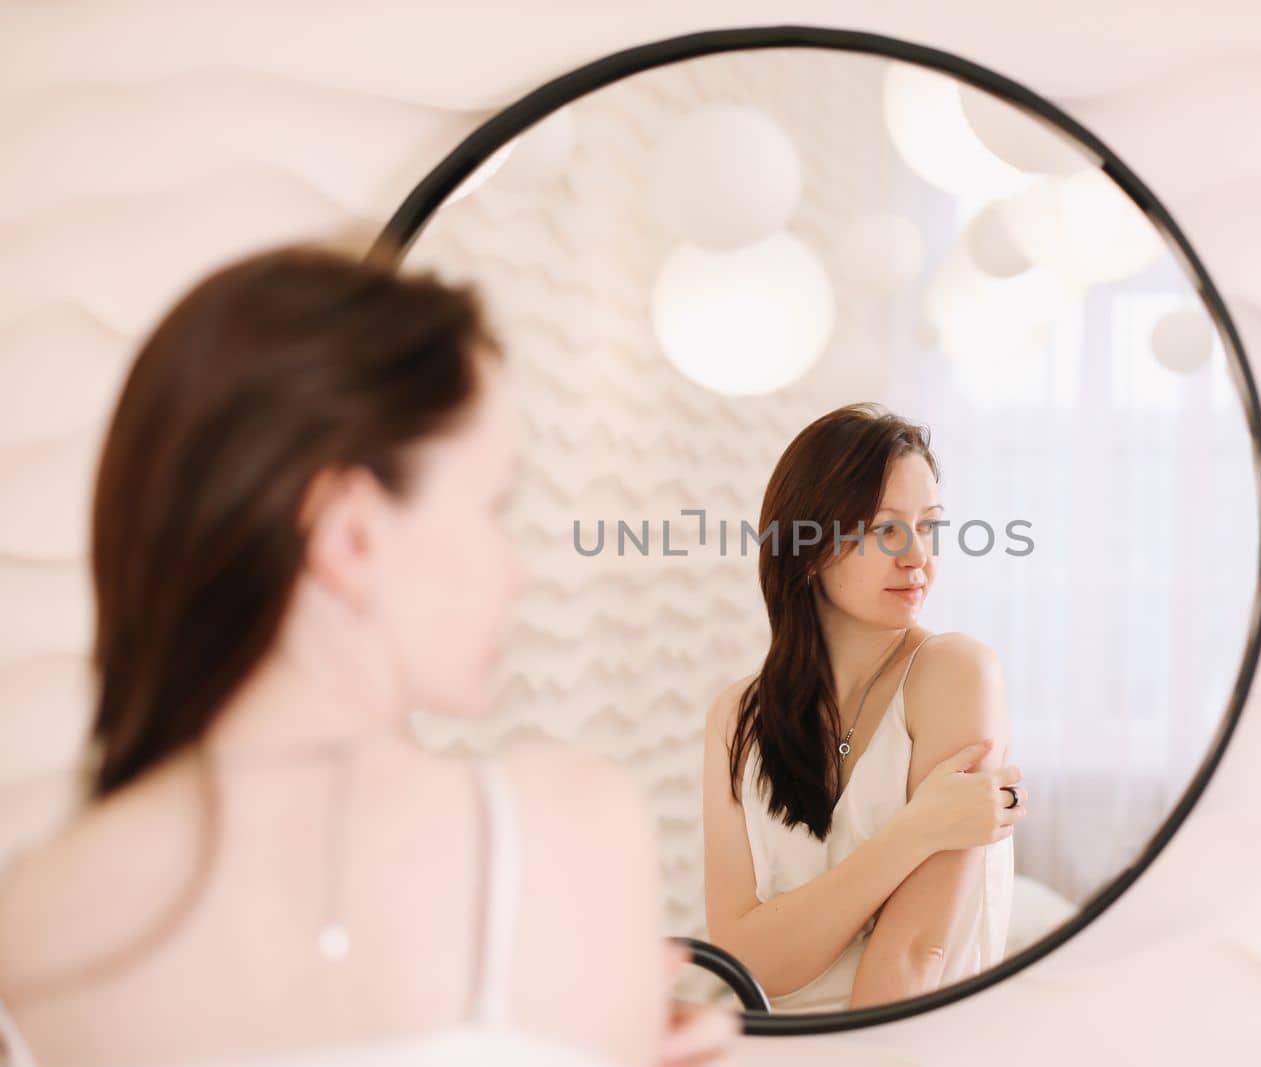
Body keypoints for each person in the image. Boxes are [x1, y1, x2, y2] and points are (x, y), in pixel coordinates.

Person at [0, 244, 735, 1067]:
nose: (518, 570)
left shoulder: (32, 912)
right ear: (348, 533)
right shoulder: (562, 829)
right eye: (494, 505)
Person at [701, 403, 1021, 1013]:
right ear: (807, 543)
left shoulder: (956, 675)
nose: (917, 557)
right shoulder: (737, 717)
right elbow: (749, 965)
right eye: (883, 528)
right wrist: (916, 832)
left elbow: (915, 956)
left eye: (929, 527)